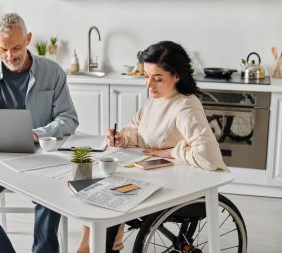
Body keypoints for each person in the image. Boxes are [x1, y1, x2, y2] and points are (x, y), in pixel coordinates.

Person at [78, 41, 228, 252]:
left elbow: (208, 155)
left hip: (179, 188)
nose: (149, 85)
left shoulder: (186, 106)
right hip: (150, 176)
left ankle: (102, 246)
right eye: (146, 76)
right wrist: (123, 138)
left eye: (158, 79)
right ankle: (102, 246)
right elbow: (137, 130)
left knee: (108, 200)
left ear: (176, 76)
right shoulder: (155, 99)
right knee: (97, 192)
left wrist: (170, 152)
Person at [0, 13, 78, 253]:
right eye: (2, 49)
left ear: (28, 39)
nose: (10, 56)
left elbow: (68, 119)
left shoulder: (53, 72)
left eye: (16, 47)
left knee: (51, 198)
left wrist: (36, 134)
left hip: (41, 157)